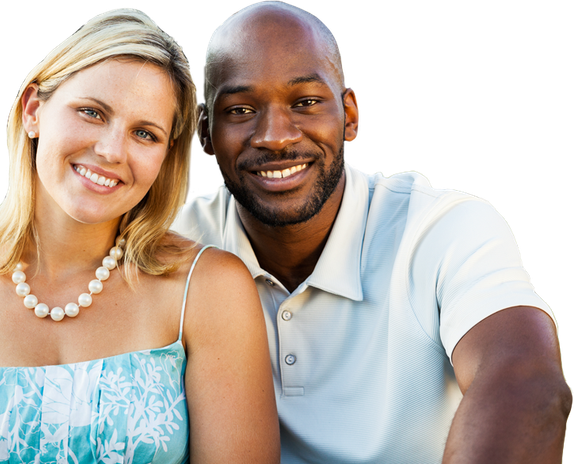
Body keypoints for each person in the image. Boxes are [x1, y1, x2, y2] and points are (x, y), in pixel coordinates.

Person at [0, 8, 280, 463]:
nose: (112, 151)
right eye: (92, 113)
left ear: (164, 159)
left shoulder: (208, 289)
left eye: (145, 133)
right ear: (34, 111)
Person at [171, 1, 572, 463]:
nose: (276, 136)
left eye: (305, 102)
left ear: (351, 115)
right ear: (204, 131)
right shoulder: (171, 248)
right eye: (240, 109)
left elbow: (525, 383)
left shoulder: (442, 228)